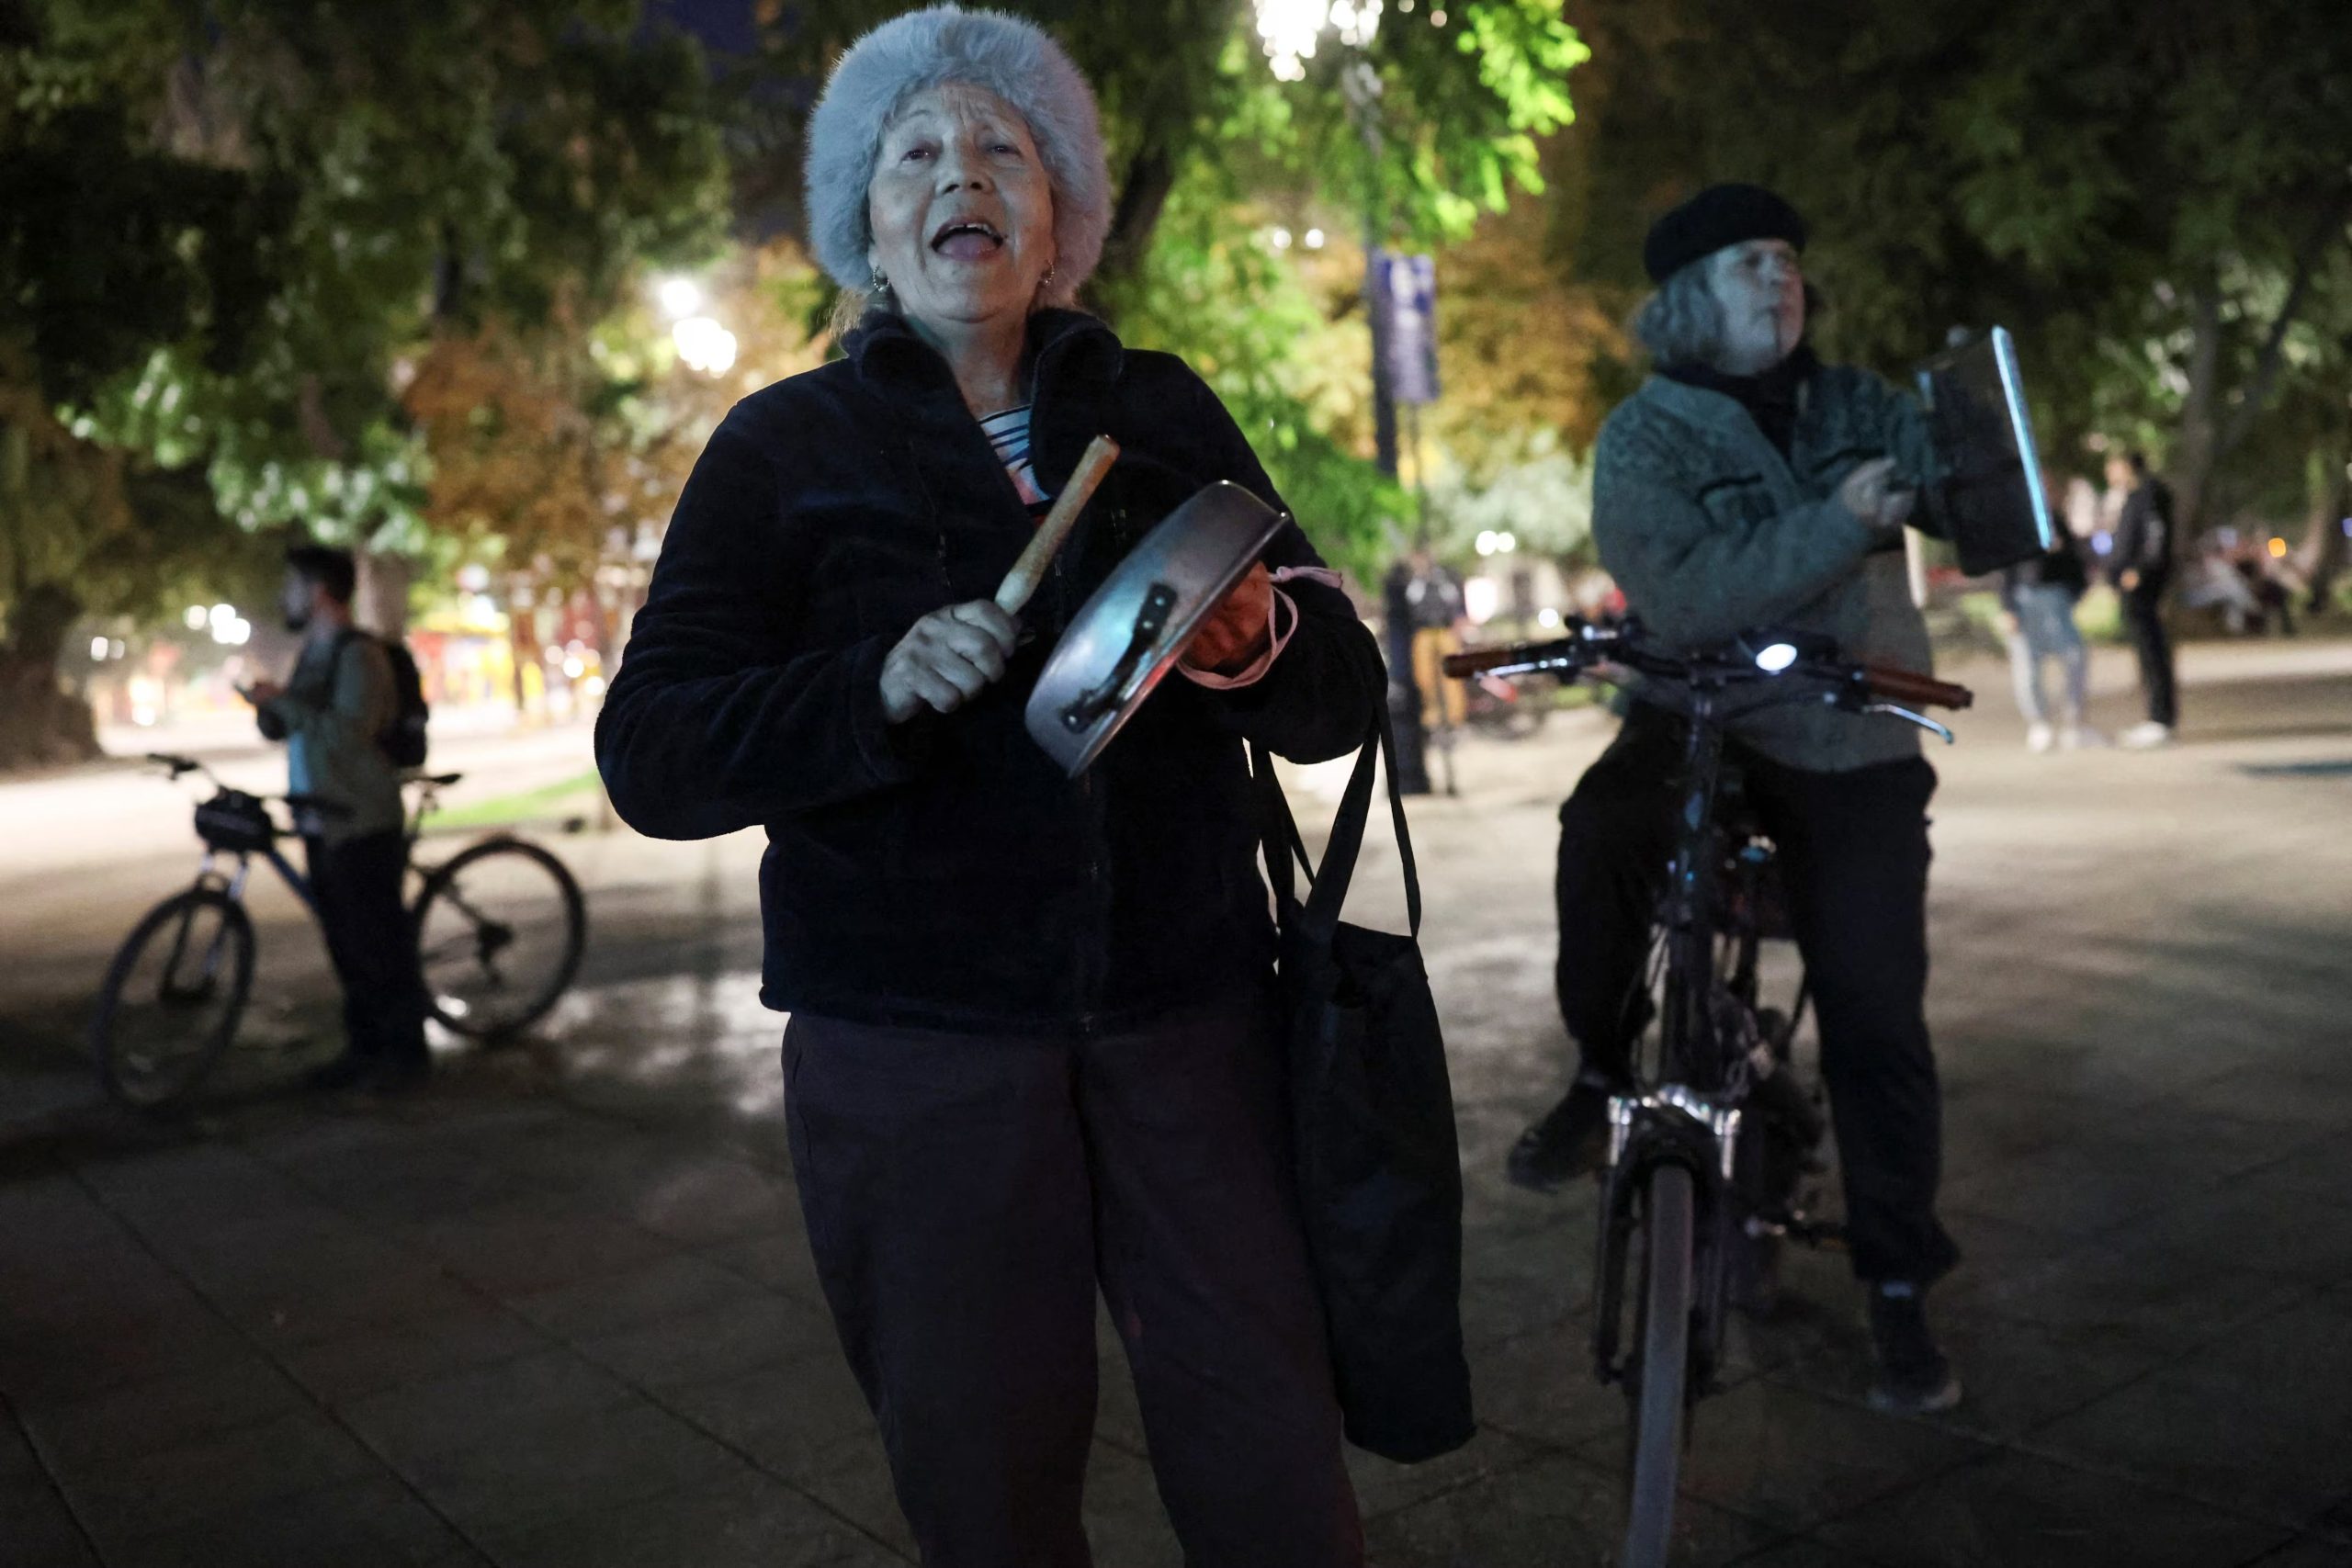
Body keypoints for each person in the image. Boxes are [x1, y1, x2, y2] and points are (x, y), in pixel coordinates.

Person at [594, 8, 1384, 1562]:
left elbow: (1338, 693)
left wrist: (1254, 641)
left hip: (1187, 1020)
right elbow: (654, 748)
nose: (962, 172)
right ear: (868, 226)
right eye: (917, 153)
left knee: (1269, 1441)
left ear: (1058, 212)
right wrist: (867, 688)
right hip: (917, 1050)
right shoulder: (783, 444)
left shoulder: (1157, 410)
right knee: (984, 1470)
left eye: (1002, 148)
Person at [1507, 183, 1962, 1414]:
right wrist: (1838, 524)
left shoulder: (1860, 403)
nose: (1779, 277)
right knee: (1602, 832)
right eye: (1748, 262)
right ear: (1688, 299)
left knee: (1876, 1012)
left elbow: (1970, 498)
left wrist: (1976, 459)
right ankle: (1600, 1069)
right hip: (1698, 712)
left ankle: (1899, 1279)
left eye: (1787, 259)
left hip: (1851, 732)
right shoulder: (1644, 437)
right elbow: (1688, 595)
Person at [243, 544, 430, 1092]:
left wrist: (286, 703)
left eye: (293, 586)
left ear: (319, 590)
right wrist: (270, 708)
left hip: (361, 818)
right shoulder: (315, 652)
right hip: (320, 816)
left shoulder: (359, 654)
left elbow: (348, 734)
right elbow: (299, 724)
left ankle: (404, 1056)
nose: (286, 597)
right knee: (345, 943)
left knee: (378, 943)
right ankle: (365, 1049)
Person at [1999, 478, 2099, 751]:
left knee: (2075, 657)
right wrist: (2008, 607)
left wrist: (2075, 592)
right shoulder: (2017, 527)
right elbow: (2006, 569)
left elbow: (2076, 563)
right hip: (2026, 598)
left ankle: (2074, 724)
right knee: (2028, 666)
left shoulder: (2058, 524)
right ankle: (2039, 724)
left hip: (2057, 598)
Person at [2106, 451, 2177, 746]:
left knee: (2152, 649)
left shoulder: (2150, 495)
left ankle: (2160, 718)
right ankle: (2155, 716)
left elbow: (2155, 537)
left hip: (2142, 586)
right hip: (2132, 585)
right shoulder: (2133, 498)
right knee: (2145, 650)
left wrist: (2141, 570)